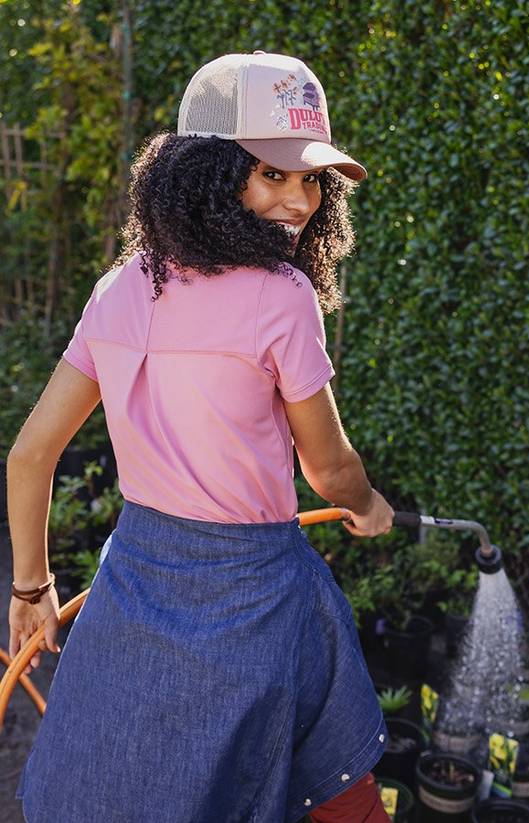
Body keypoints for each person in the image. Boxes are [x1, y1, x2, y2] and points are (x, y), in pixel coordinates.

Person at [6, 52, 395, 821]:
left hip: (136, 583)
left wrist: (30, 586)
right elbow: (328, 468)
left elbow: (29, 452)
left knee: (110, 783)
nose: (300, 199)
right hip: (254, 594)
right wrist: (370, 502)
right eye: (271, 173)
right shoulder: (282, 297)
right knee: (326, 777)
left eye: (311, 178)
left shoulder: (119, 288)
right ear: (207, 172)